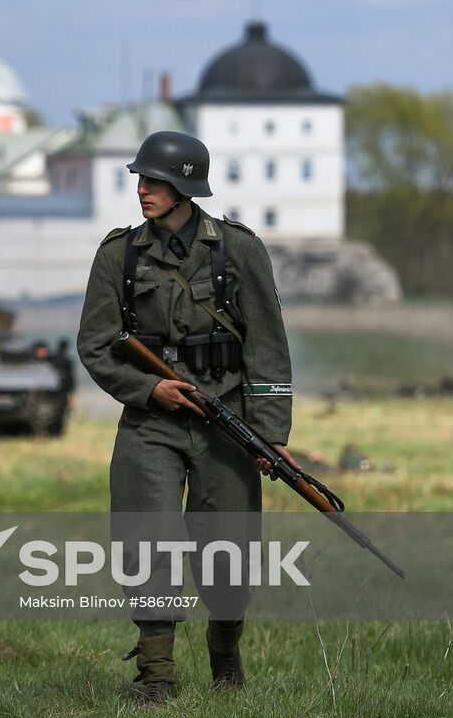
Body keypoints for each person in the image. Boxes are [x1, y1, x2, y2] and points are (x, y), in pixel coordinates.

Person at [76, 131, 295, 706]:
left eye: (154, 181)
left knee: (229, 550)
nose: (142, 190)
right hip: (151, 421)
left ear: (184, 188)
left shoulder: (239, 250)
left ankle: (225, 654)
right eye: (141, 180)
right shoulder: (118, 255)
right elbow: (95, 346)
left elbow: (267, 346)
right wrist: (150, 388)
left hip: (227, 419)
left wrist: (270, 434)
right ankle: (157, 677)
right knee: (146, 539)